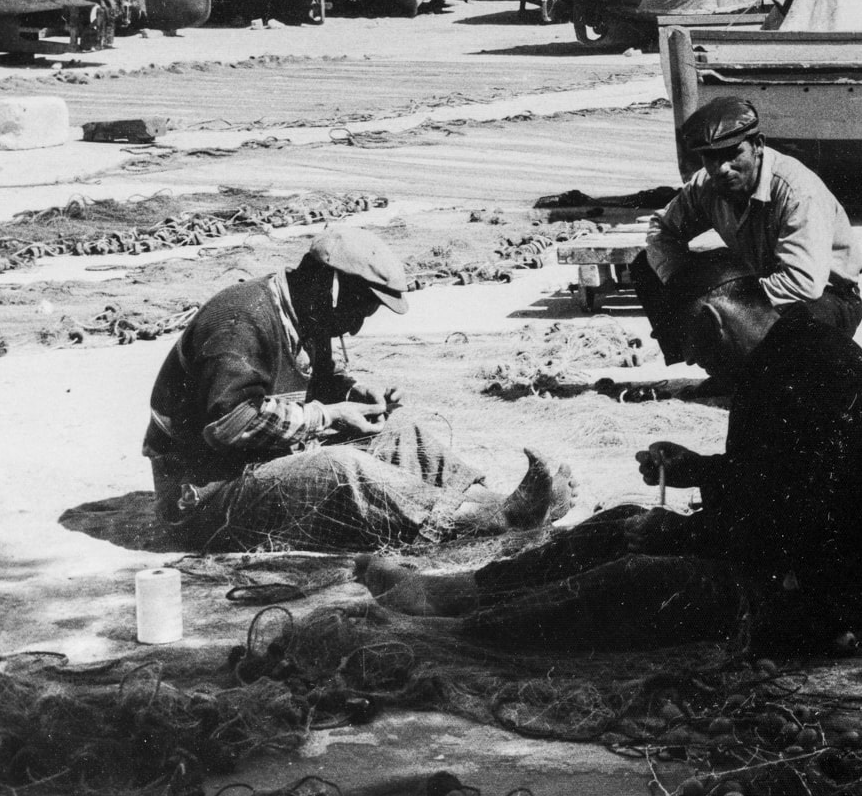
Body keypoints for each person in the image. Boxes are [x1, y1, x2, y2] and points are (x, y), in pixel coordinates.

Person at [364, 253, 862, 658]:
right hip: (792, 559)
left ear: (715, 321)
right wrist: (698, 470)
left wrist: (682, 536)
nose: (699, 367)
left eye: (696, 351)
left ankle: (468, 632)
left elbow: (802, 525)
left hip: (818, 593)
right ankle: (460, 592)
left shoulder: (806, 374)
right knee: (622, 523)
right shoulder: (783, 354)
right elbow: (777, 479)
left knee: (642, 580)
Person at [144, 227, 575, 553]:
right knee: (343, 469)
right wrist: (331, 415)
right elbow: (230, 424)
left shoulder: (306, 314)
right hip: (201, 498)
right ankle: (496, 520)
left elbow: (317, 386)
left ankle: (500, 506)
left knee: (404, 434)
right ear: (329, 286)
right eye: (359, 308)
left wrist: (353, 394)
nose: (356, 325)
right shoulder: (241, 318)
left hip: (257, 466)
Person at [634, 96, 862, 371]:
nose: (722, 168)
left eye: (732, 153)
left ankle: (772, 381)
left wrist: (724, 304)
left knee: (793, 329)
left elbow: (803, 283)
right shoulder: (705, 185)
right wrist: (682, 294)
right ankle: (720, 372)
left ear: (758, 146)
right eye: (711, 157)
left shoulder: (797, 191)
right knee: (645, 266)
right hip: (758, 285)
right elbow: (661, 230)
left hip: (827, 298)